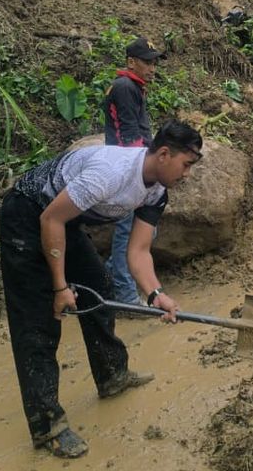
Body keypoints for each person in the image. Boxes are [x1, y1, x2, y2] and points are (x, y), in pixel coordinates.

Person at [0, 122, 203, 459]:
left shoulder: (155, 191)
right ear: (164, 154)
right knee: (37, 322)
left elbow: (137, 252)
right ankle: (47, 424)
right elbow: (50, 220)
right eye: (187, 164)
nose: (188, 174)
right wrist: (61, 287)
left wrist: (156, 294)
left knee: (100, 286)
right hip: (27, 214)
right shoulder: (110, 173)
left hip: (65, 221)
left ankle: (112, 375)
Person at [102, 37, 165, 305]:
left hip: (131, 162)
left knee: (146, 230)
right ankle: (126, 297)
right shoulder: (125, 87)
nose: (152, 68)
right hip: (127, 166)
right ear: (131, 62)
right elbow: (129, 136)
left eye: (154, 63)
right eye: (147, 62)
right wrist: (144, 171)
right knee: (128, 231)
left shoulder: (133, 87)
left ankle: (108, 275)